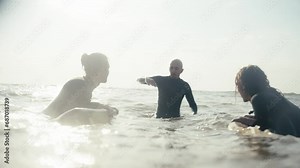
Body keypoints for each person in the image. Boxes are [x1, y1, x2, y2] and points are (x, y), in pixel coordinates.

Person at [43, 53, 118, 125]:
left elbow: (80, 106)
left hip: (46, 120)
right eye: (106, 69)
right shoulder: (81, 84)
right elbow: (78, 108)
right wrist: (103, 107)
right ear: (96, 70)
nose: (108, 72)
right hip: (45, 121)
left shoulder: (84, 84)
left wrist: (103, 107)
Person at [233, 65, 300, 137]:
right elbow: (271, 118)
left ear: (243, 85)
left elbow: (263, 128)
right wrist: (253, 120)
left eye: (237, 84)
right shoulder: (272, 93)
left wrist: (241, 122)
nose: (237, 89)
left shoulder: (257, 99)